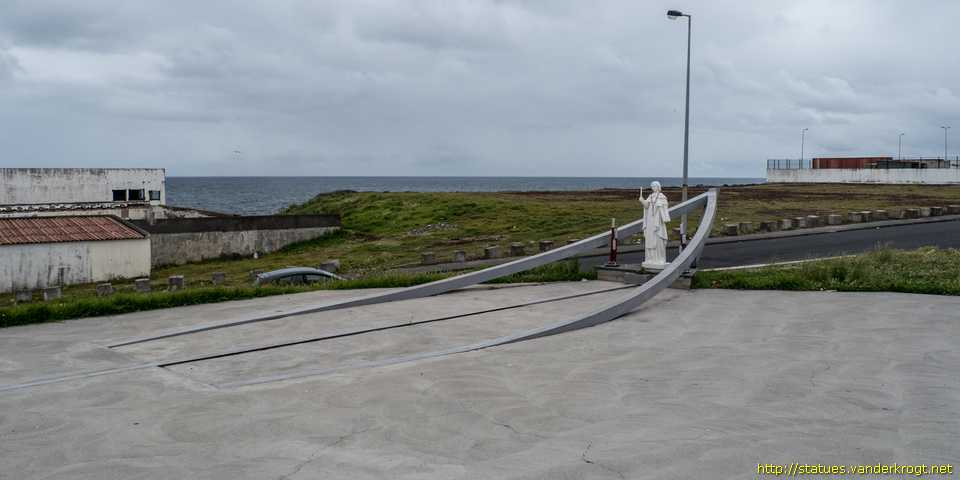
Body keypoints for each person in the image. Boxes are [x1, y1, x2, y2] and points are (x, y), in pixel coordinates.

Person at [638, 181, 671, 270]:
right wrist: (642, 201)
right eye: (652, 186)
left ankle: (659, 259)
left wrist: (660, 206)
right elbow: (646, 206)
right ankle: (650, 259)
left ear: (658, 187)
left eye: (654, 186)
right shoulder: (650, 196)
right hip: (650, 220)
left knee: (658, 238)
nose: (653, 188)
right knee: (650, 239)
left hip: (658, 221)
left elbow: (665, 208)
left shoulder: (662, 197)